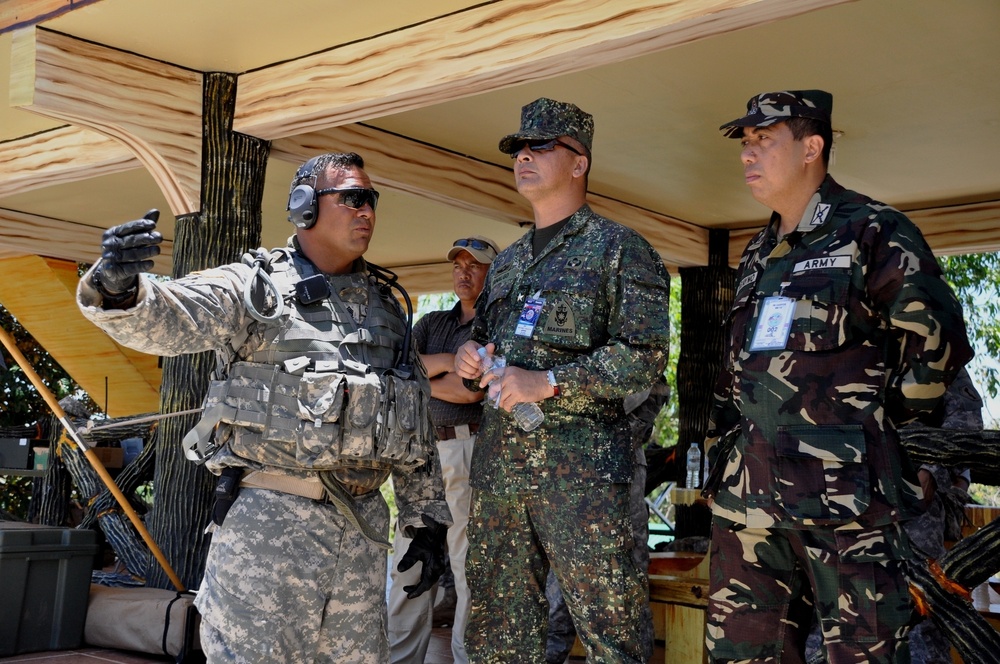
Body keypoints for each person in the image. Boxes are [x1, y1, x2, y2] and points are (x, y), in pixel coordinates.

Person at [77, 152, 451, 664]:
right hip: (271, 529)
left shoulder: (386, 307)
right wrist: (118, 288)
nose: (367, 212)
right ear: (304, 207)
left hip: (361, 534)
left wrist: (425, 518)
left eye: (372, 201)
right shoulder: (255, 286)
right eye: (353, 198)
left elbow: (410, 415)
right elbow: (173, 316)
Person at [703, 90, 974, 663]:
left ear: (812, 147)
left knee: (865, 655)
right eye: (745, 144)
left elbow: (938, 340)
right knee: (744, 655)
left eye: (764, 141)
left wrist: (891, 424)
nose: (748, 155)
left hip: (846, 502)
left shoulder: (872, 229)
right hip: (750, 502)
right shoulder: (758, 251)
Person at [454, 97, 672, 663]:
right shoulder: (507, 262)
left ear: (580, 163)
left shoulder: (621, 250)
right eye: (519, 148)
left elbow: (644, 357)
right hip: (501, 470)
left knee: (610, 634)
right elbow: (490, 346)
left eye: (542, 146)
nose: (524, 156)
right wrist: (472, 362)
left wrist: (548, 380)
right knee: (498, 633)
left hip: (583, 478)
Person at [387, 235, 499, 664]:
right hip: (419, 456)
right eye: (459, 264)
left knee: (466, 562)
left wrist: (430, 371)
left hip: (466, 450)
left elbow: (470, 394)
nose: (464, 272)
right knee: (410, 563)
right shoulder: (432, 322)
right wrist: (451, 362)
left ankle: (466, 658)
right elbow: (397, 374)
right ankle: (400, 657)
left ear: (493, 273)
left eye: (475, 265)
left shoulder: (496, 326)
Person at [545, 376, 669, 664]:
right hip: (562, 479)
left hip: (619, 477)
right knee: (555, 594)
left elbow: (655, 390)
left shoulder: (631, 345)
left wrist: (605, 437)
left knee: (623, 598)